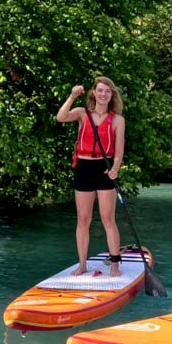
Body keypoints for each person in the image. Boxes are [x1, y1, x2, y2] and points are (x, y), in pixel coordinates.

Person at [56, 77, 127, 276]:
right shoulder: (81, 113)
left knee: (107, 218)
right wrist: (71, 96)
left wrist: (115, 168)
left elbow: (119, 150)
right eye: (100, 90)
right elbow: (60, 117)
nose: (103, 94)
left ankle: (114, 265)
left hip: (105, 169)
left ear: (111, 95)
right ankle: (82, 265)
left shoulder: (118, 120)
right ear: (94, 93)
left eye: (107, 91)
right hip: (84, 167)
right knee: (83, 219)